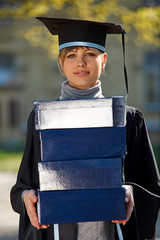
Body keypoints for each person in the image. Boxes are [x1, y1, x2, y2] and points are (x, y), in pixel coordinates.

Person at [10, 18, 160, 240]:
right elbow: (23, 186)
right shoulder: (42, 118)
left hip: (111, 231)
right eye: (71, 55)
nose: (80, 63)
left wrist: (130, 193)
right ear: (61, 64)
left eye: (90, 53)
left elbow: (150, 188)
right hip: (57, 231)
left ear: (104, 60)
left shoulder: (127, 119)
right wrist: (26, 197)